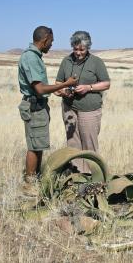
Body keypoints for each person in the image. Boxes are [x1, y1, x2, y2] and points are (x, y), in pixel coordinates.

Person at [18, 26, 77, 190]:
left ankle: (34, 179)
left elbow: (41, 88)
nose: (52, 45)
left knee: (39, 145)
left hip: (38, 105)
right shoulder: (31, 58)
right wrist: (66, 84)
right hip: (34, 107)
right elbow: (39, 89)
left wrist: (56, 90)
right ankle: (30, 184)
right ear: (45, 40)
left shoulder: (35, 56)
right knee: (34, 147)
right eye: (51, 41)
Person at [55, 30, 110, 173]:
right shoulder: (66, 61)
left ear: (88, 48)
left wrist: (88, 87)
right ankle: (77, 175)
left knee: (89, 144)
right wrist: (64, 90)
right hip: (69, 107)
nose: (78, 52)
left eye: (82, 49)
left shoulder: (96, 62)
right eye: (75, 49)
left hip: (89, 110)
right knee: (73, 143)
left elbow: (106, 84)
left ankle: (93, 176)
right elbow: (58, 82)